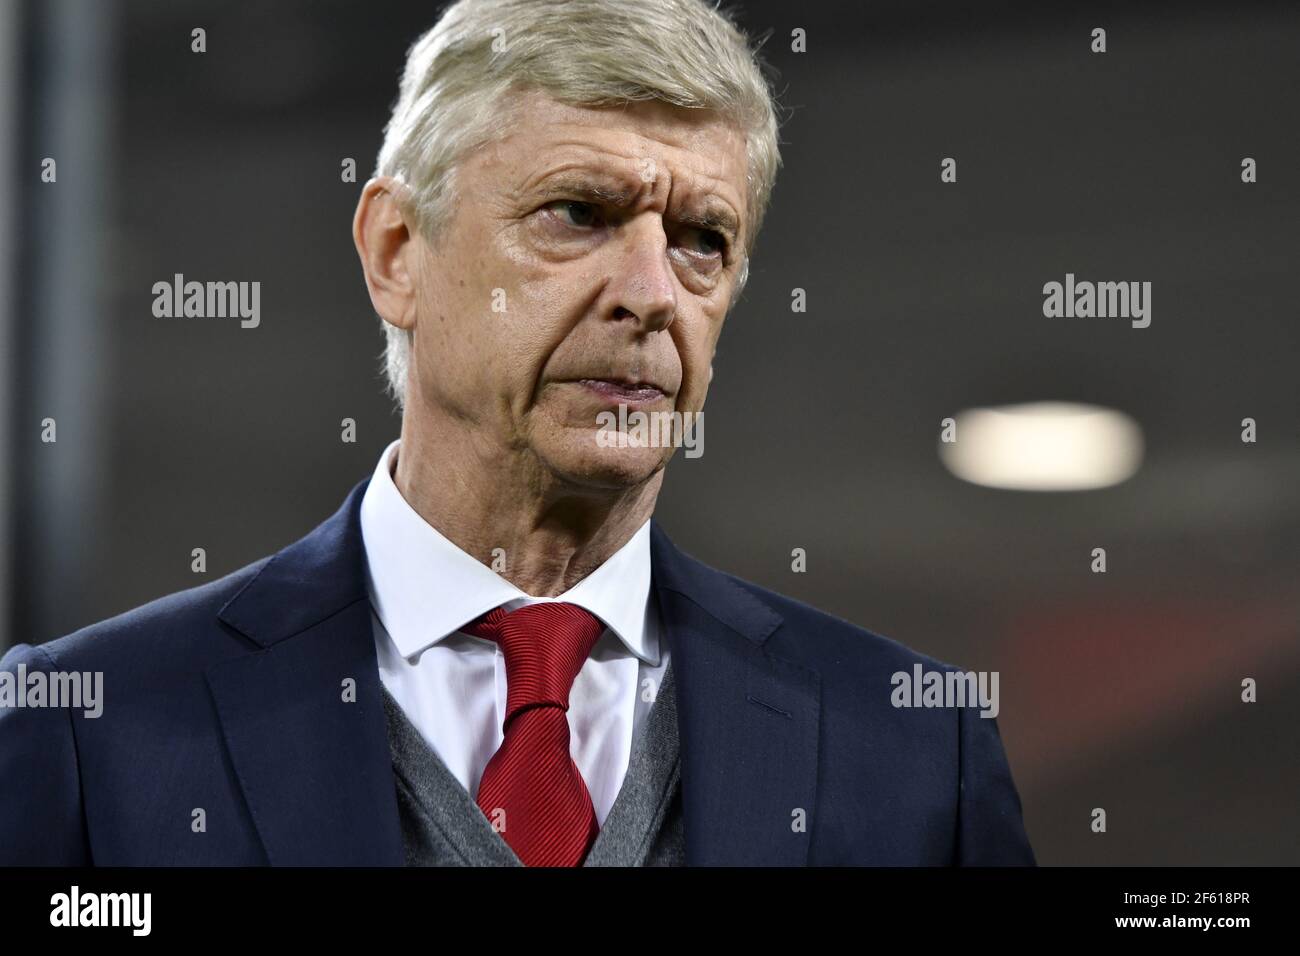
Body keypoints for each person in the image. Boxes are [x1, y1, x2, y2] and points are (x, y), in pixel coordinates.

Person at [0, 0, 1034, 866]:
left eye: (699, 240)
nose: (648, 293)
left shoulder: (909, 747)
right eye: (578, 214)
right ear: (398, 252)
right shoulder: (89, 729)